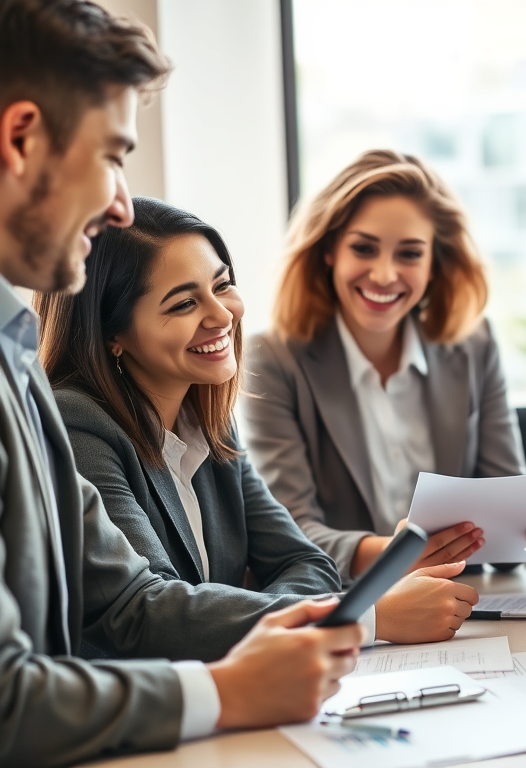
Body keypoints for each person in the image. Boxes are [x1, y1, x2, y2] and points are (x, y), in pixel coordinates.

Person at [0, 2, 362, 765]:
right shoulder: (68, 405)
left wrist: (297, 634)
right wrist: (229, 693)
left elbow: (125, 600)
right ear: (21, 138)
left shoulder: (14, 358)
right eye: (113, 155)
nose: (123, 203)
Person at [36, 197, 351, 654]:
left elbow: (306, 561)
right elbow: (147, 611)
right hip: (144, 713)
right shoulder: (78, 425)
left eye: (221, 285)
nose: (222, 315)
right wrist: (360, 616)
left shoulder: (207, 422)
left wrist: (229, 619)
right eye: (184, 303)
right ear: (113, 336)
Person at [243, 149, 523, 638]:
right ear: (328, 250)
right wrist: (393, 551)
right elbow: (290, 534)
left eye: (410, 253)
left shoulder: (473, 345)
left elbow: (506, 501)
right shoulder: (273, 359)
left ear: (435, 262)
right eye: (364, 249)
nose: (385, 274)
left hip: (470, 607)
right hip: (357, 615)